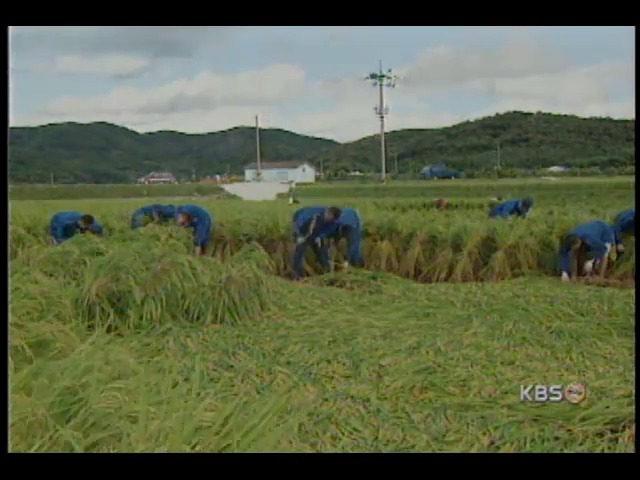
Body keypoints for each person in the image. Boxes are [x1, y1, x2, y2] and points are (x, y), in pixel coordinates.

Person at [291, 206, 342, 280]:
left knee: (322, 251)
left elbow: (330, 232)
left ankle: (327, 272)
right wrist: (301, 238)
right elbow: (309, 231)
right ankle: (297, 276)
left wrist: (319, 237)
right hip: (304, 233)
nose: (331, 220)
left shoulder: (331, 222)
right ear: (329, 214)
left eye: (333, 220)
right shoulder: (316, 217)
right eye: (332, 218)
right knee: (299, 251)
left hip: (315, 234)